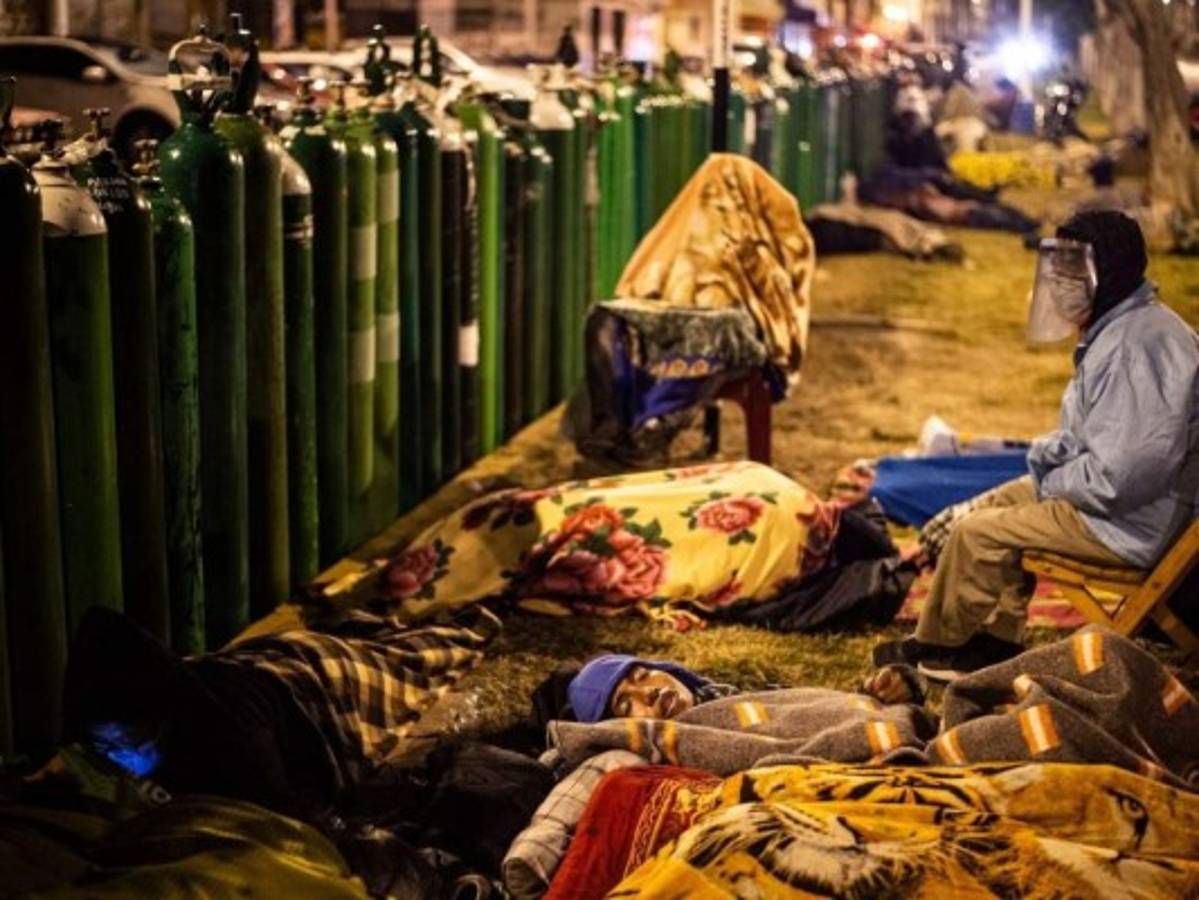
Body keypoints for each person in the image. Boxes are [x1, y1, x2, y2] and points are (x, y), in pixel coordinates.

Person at [877, 210, 1199, 680]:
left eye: (1071, 269)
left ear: (1106, 272)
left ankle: (946, 648)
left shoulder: (1134, 349)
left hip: (1131, 523)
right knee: (998, 503)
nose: (1058, 283)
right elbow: (1098, 441)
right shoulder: (1125, 327)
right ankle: (993, 637)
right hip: (1126, 505)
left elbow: (1118, 478)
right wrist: (1051, 466)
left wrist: (1055, 476)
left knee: (978, 533)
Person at [566, 653, 923, 723]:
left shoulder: (735, 696)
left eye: (644, 675)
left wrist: (880, 693)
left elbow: (807, 708)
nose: (650, 692)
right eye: (625, 705)